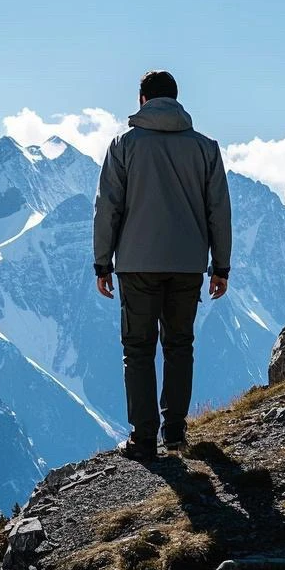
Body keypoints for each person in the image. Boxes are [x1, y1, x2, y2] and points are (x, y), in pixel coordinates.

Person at [93, 69, 232, 461]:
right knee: (179, 345)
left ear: (142, 101)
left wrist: (102, 262)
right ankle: (175, 435)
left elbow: (108, 207)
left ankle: (143, 439)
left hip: (136, 263)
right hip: (188, 264)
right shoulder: (206, 148)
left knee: (138, 349)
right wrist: (220, 265)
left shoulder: (123, 145)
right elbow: (219, 211)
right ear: (176, 99)